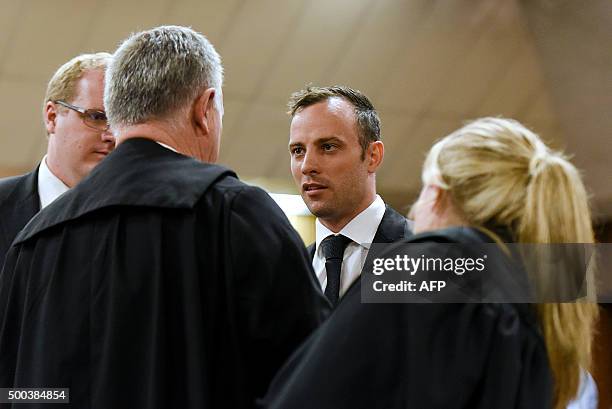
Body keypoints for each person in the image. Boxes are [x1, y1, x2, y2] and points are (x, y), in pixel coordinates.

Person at [0, 26, 328, 409]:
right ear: (203, 110)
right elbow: (313, 375)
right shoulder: (232, 211)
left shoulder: (35, 238)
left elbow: (17, 389)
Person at [261, 117, 598, 409]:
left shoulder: (424, 269)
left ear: (437, 194)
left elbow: (310, 397)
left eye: (421, 192)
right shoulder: (538, 301)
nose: (413, 212)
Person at [288, 86, 411, 306]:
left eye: (327, 147)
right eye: (298, 150)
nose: (307, 166)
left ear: (373, 156)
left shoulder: (432, 254)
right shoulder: (287, 275)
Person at [0, 52, 114, 266]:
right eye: (97, 117)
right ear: (52, 116)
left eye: (120, 122)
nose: (111, 135)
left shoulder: (142, 220)